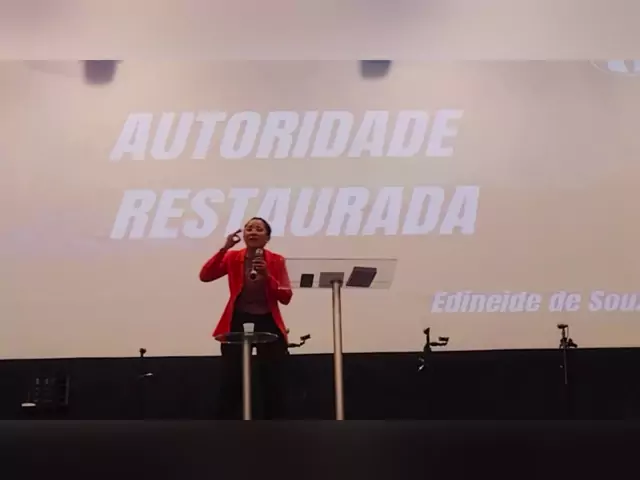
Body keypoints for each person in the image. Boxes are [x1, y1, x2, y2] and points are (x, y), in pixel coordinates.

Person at [199, 217, 293, 419]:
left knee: (273, 377)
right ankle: (227, 427)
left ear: (267, 238)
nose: (252, 232)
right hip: (238, 319)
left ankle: (276, 427)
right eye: (249, 228)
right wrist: (224, 248)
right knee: (232, 376)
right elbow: (205, 276)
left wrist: (267, 276)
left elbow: (286, 296)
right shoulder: (233, 257)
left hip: (267, 319)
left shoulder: (276, 260)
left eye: (259, 229)